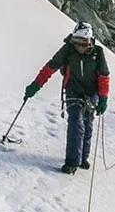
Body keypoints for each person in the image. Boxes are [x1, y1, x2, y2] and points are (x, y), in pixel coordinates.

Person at [24, 22, 110, 174]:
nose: (80, 46)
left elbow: (103, 76)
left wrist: (103, 98)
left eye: (83, 43)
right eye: (77, 42)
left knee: (88, 124)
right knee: (76, 122)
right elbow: (50, 67)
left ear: (89, 41)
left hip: (92, 93)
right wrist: (35, 85)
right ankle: (72, 162)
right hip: (73, 91)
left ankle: (83, 158)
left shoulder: (98, 52)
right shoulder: (68, 50)